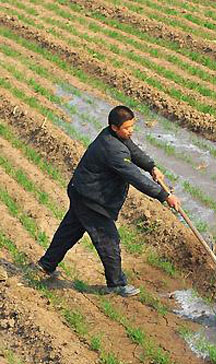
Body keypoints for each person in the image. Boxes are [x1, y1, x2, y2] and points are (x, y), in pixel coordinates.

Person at [34, 106, 180, 296]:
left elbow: (133, 150)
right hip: (91, 199)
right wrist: (164, 195)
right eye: (127, 128)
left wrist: (151, 166)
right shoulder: (112, 150)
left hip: (82, 191)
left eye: (132, 126)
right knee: (108, 240)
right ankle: (117, 284)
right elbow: (134, 177)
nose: (131, 131)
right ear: (114, 127)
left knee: (70, 231)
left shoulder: (117, 137)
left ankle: (46, 265)